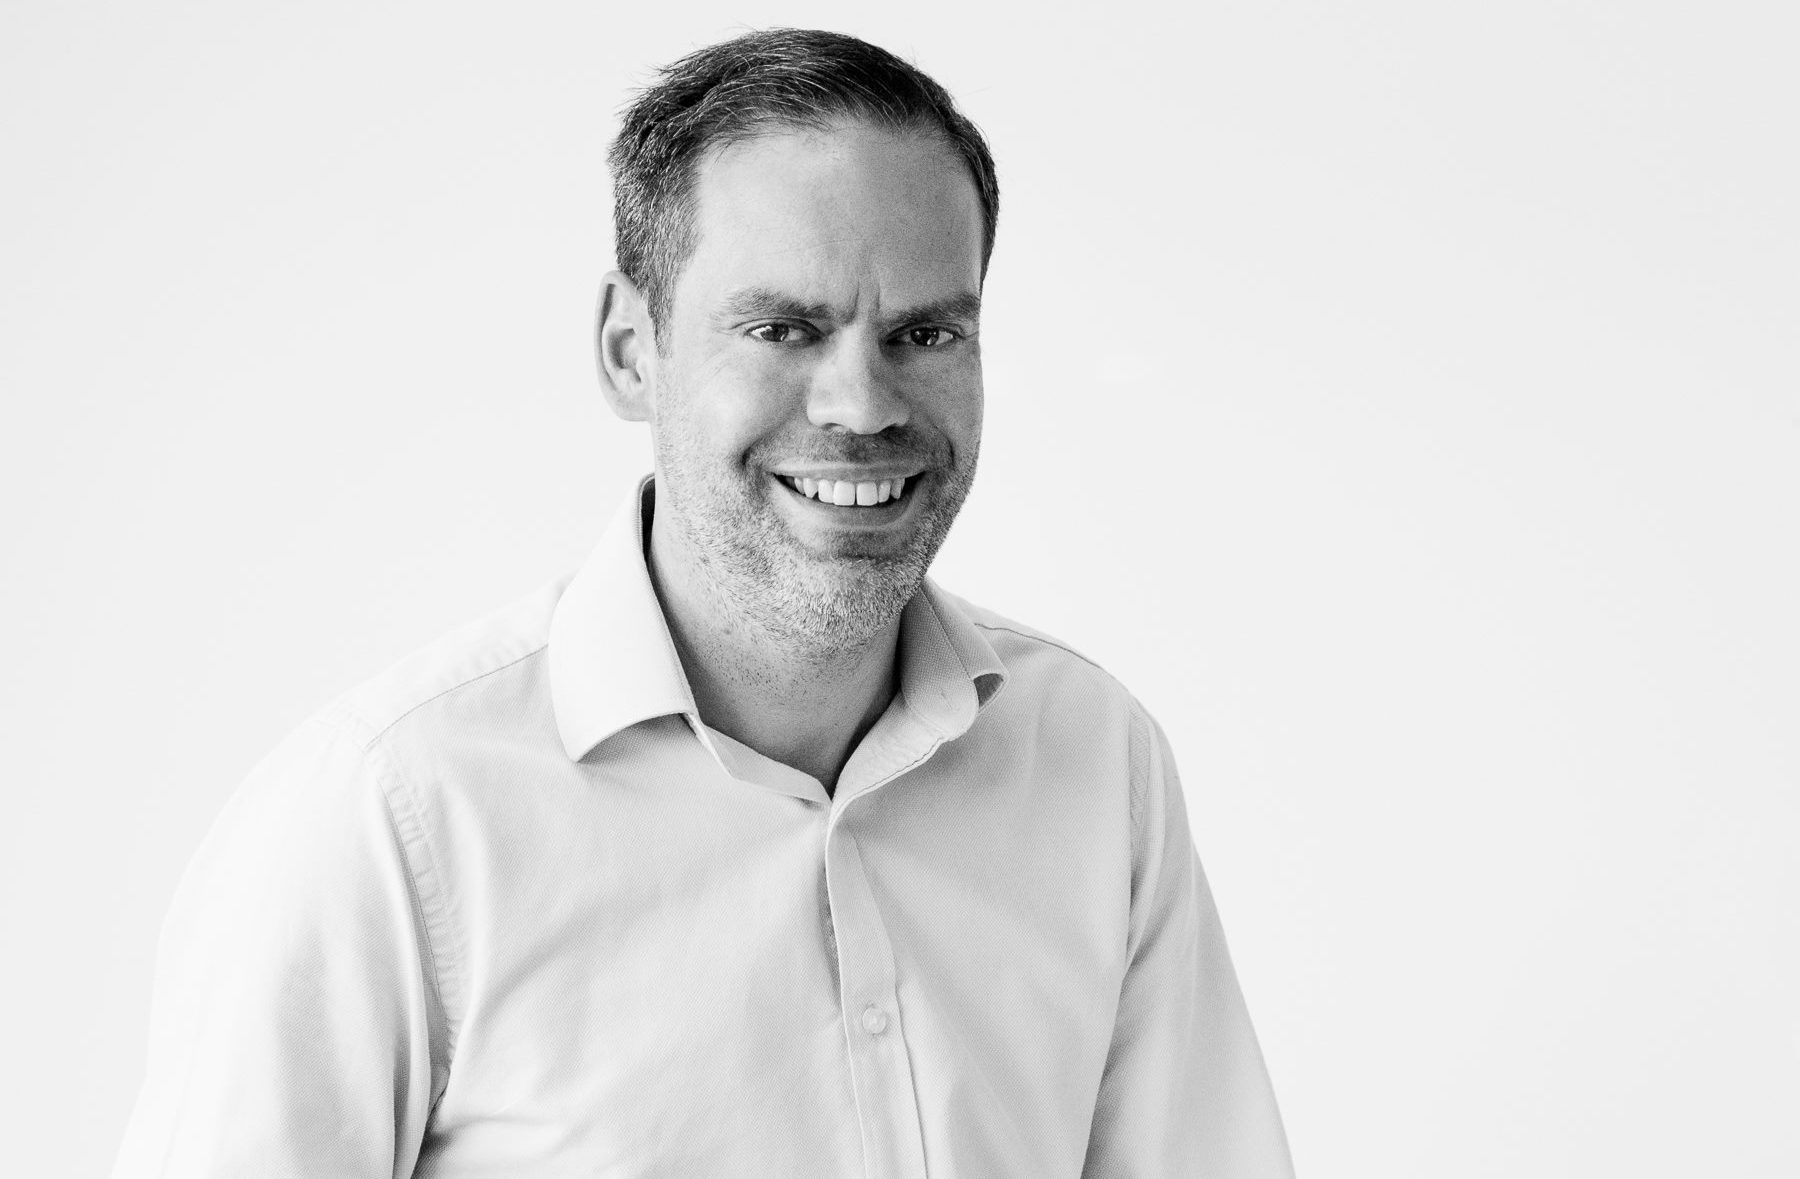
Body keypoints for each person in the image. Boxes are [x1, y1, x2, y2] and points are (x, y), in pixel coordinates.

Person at [112, 28, 1294, 1178]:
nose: (861, 404)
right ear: (632, 350)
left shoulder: (1095, 763)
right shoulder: (389, 819)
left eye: (926, 333)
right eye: (783, 329)